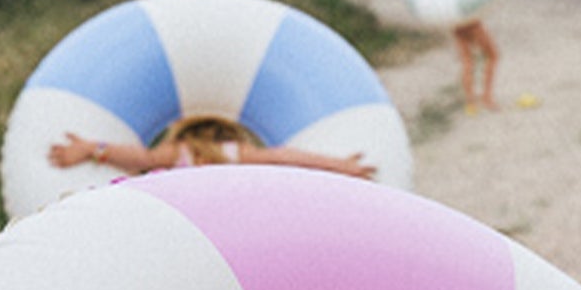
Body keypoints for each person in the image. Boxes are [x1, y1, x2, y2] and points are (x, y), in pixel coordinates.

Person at [49, 113, 374, 179]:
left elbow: (139, 159)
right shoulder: (235, 154)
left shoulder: (180, 152)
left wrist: (94, 148)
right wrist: (340, 166)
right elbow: (285, 158)